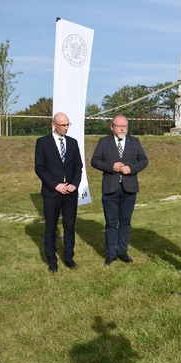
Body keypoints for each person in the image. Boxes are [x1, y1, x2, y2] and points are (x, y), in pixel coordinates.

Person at [91, 115, 148, 266]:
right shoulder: (104, 142)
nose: (122, 129)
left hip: (129, 188)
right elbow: (95, 161)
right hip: (110, 188)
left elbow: (144, 160)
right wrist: (111, 167)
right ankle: (111, 254)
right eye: (119, 126)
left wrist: (132, 169)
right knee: (111, 223)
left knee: (125, 222)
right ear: (112, 127)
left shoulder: (134, 141)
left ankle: (122, 251)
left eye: (125, 126)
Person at [35, 112, 83, 273]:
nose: (66, 128)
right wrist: (55, 185)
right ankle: (52, 261)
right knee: (51, 227)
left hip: (70, 193)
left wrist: (74, 184)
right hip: (52, 193)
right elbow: (40, 168)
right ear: (53, 125)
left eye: (68, 124)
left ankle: (69, 258)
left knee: (69, 227)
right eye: (63, 125)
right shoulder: (42, 142)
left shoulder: (73, 143)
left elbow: (78, 167)